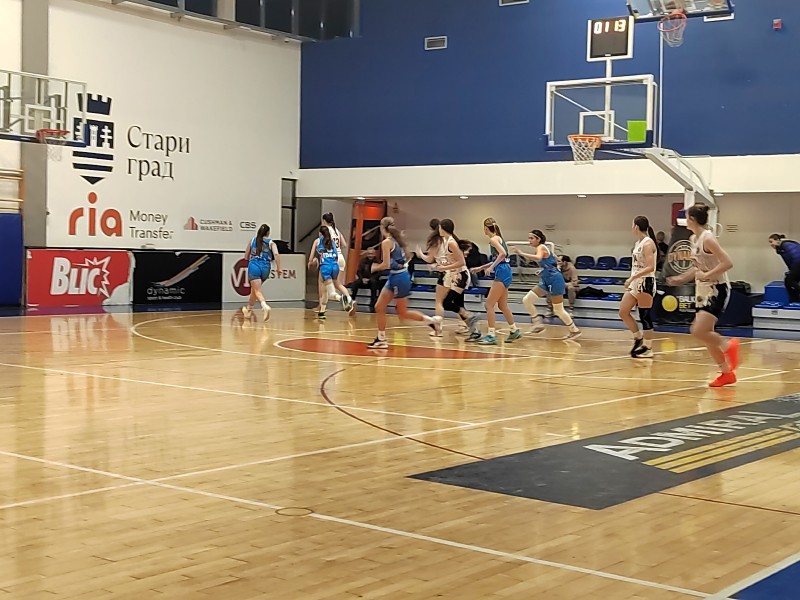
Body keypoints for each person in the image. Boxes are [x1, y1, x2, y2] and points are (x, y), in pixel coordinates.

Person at [667, 205, 739, 387]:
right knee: (706, 335)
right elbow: (697, 267)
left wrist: (707, 275)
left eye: (686, 217)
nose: (685, 221)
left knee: (699, 331)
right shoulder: (693, 239)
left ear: (692, 219)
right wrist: (681, 278)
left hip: (717, 289)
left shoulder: (708, 239)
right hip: (702, 290)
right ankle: (726, 373)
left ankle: (728, 345)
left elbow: (727, 262)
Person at [367, 217, 442, 349]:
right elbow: (408, 257)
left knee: (402, 313)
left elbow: (385, 264)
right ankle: (381, 338)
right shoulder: (397, 239)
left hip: (399, 278)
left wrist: (375, 267)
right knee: (379, 307)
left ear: (382, 228)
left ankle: (432, 321)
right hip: (395, 276)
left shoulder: (387, 242)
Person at [514, 230, 581, 341]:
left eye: (531, 238)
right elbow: (555, 260)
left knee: (558, 310)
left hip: (555, 280)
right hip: (546, 279)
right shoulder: (544, 248)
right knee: (527, 300)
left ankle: (574, 330)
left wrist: (521, 253)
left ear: (538, 239)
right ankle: (537, 324)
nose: (529, 240)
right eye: (529, 238)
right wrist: (545, 270)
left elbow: (538, 258)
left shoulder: (541, 247)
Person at [469, 218, 521, 345]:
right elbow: (501, 258)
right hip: (505, 271)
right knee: (502, 306)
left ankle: (491, 335)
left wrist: (491, 267)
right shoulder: (499, 238)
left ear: (486, 228)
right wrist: (481, 267)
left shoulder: (493, 240)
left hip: (502, 272)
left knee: (488, 305)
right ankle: (514, 330)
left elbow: (502, 254)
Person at [433, 219, 480, 337]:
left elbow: (461, 262)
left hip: (461, 276)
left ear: (442, 228)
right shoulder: (446, 241)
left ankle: (470, 316)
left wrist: (444, 268)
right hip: (456, 276)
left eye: (439, 227)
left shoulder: (451, 243)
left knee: (447, 303)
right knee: (459, 305)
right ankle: (475, 331)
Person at [619, 216, 658, 359]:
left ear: (636, 226)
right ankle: (638, 337)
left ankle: (648, 347)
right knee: (623, 312)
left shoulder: (648, 243)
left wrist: (632, 277)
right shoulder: (638, 243)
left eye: (632, 225)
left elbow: (650, 267)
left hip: (645, 281)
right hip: (636, 282)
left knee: (644, 315)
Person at [315, 213, 356, 315]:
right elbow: (344, 244)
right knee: (338, 284)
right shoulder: (336, 230)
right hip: (340, 257)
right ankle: (349, 299)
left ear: (324, 221)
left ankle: (321, 305)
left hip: (331, 259)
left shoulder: (326, 231)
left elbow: (322, 244)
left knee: (322, 282)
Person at [242, 223, 281, 321]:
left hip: (254, 266)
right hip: (266, 267)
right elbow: (276, 254)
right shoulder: (271, 243)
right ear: (268, 233)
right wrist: (279, 268)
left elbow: (246, 256)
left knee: (257, 291)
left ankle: (264, 306)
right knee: (254, 290)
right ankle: (248, 310)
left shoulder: (252, 241)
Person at [415, 218, 447, 335]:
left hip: (445, 273)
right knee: (455, 302)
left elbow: (429, 258)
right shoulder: (447, 239)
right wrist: (435, 265)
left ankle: (438, 330)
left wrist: (420, 254)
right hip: (456, 272)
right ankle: (466, 324)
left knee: (439, 301)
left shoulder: (436, 241)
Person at [308, 226, 347, 320]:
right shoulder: (332, 242)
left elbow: (311, 258)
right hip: (335, 266)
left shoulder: (317, 241)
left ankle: (341, 298)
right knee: (324, 289)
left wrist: (312, 263)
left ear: (320, 233)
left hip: (325, 267)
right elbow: (336, 255)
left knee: (331, 292)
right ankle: (322, 311)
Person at [346, 248, 386, 312]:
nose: (370, 255)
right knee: (357, 283)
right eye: (369, 254)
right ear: (367, 254)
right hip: (363, 279)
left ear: (374, 254)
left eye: (372, 254)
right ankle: (352, 300)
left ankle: (373, 301)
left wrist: (370, 279)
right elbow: (359, 271)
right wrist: (362, 278)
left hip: (373, 280)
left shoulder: (378, 262)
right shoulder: (363, 261)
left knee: (374, 283)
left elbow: (379, 273)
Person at [768, 234, 800, 304]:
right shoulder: (781, 248)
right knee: (788, 282)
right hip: (796, 264)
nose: (770, 244)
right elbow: (788, 260)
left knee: (790, 280)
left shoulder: (786, 245)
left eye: (771, 241)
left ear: (777, 240)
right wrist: (791, 270)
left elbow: (796, 256)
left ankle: (794, 300)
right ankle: (794, 301)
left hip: (798, 263)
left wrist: (793, 270)